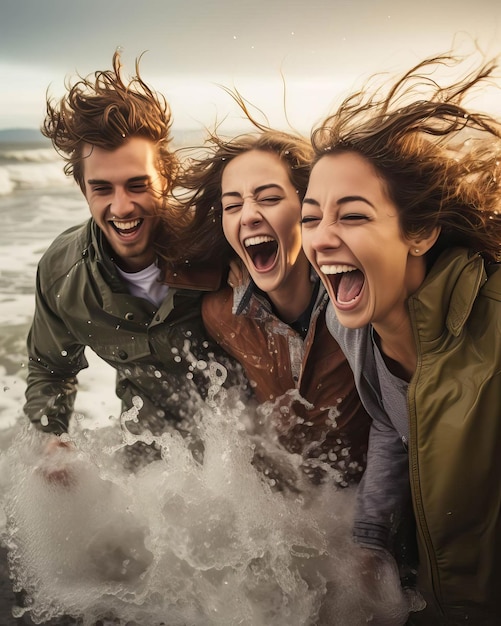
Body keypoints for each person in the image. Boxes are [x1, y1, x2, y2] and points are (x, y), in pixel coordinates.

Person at [300, 53, 501, 624]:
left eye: (353, 216)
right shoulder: (349, 322)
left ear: (419, 232)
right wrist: (370, 541)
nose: (322, 238)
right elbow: (393, 422)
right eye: (311, 217)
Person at [24, 51, 243, 457]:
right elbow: (50, 369)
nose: (122, 207)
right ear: (83, 190)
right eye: (103, 189)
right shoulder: (61, 274)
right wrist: (49, 437)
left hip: (247, 445)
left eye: (137, 185)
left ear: (167, 177)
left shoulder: (220, 239)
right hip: (147, 452)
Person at [175, 107, 371, 488]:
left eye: (268, 198)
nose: (247, 215)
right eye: (233, 206)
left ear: (308, 209)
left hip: (366, 506)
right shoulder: (221, 314)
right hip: (294, 507)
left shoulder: (360, 302)